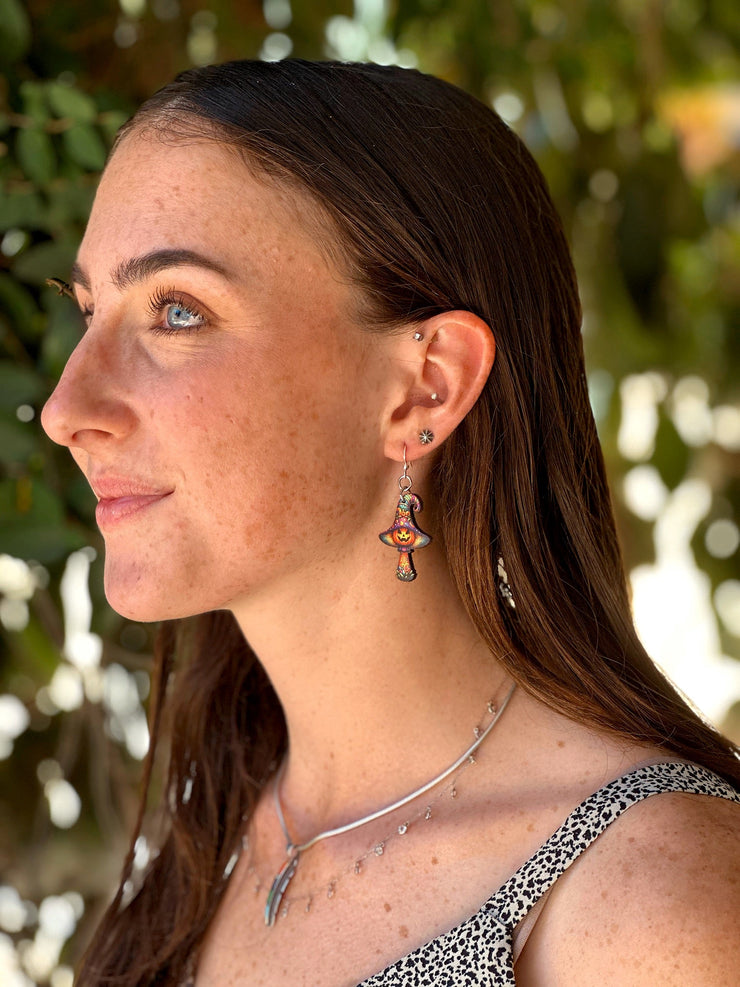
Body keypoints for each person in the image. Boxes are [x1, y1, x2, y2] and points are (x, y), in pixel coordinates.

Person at [41, 59, 739, 986]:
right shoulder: (208, 840)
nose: (65, 407)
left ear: (426, 385)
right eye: (90, 312)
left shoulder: (650, 911)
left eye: (176, 310)